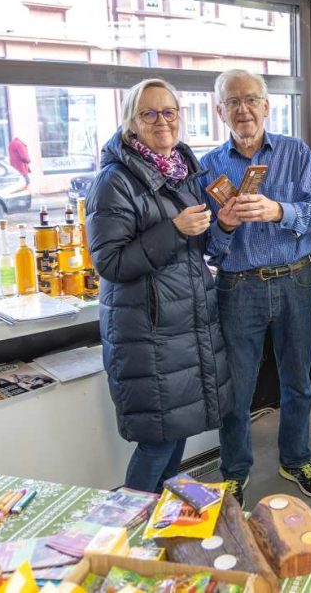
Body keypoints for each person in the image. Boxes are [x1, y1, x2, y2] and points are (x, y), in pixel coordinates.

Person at [86, 78, 233, 494]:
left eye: (169, 112)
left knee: (175, 439)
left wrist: (220, 225)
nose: (161, 121)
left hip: (184, 326)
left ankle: (158, 531)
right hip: (148, 332)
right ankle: (126, 531)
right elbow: (110, 262)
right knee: (157, 445)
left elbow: (194, 246)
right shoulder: (113, 180)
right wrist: (174, 228)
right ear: (132, 122)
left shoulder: (184, 172)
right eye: (149, 113)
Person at [200, 69, 311, 507]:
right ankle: (234, 471)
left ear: (266, 105)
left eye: (251, 99)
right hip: (238, 288)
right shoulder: (208, 167)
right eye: (233, 101)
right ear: (220, 111)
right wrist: (222, 224)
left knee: (299, 383)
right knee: (235, 390)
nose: (243, 109)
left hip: (296, 279)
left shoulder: (295, 152)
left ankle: (295, 460)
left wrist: (280, 210)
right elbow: (207, 248)